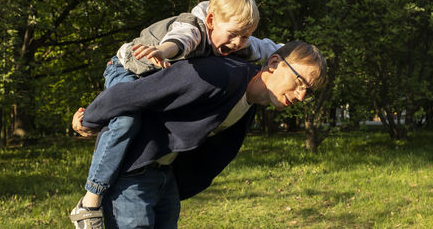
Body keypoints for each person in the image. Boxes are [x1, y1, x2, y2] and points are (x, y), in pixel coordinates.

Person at [70, 0, 283, 228]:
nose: (237, 43)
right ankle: (90, 200)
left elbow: (266, 47)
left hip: (156, 138)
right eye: (234, 35)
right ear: (211, 20)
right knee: (126, 120)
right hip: (126, 66)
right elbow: (181, 40)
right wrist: (162, 51)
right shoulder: (193, 27)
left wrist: (298, 53)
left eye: (244, 37)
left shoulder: (237, 38)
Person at [72, 41, 327, 228]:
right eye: (300, 82)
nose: (302, 96)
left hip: (164, 179)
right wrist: (89, 121)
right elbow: (134, 93)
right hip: (134, 174)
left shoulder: (249, 103)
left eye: (309, 91)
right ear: (273, 63)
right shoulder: (218, 75)